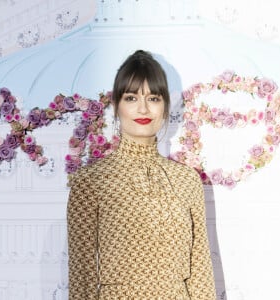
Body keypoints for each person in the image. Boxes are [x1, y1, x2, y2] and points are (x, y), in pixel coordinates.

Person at [67, 50, 216, 299]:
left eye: (154, 98)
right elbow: (82, 277)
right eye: (132, 97)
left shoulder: (187, 180)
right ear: (116, 106)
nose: (144, 109)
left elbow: (200, 268)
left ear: (166, 106)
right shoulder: (90, 182)